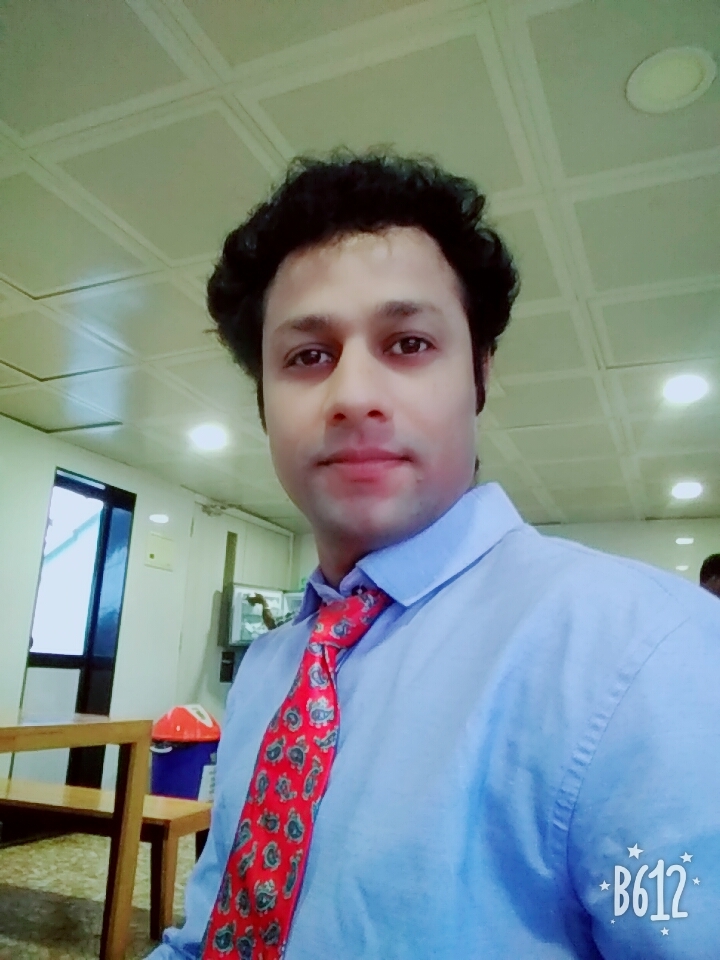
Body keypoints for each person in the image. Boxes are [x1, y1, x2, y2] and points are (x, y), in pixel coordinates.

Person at [148, 153, 720, 960]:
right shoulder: (271, 671)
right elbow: (208, 936)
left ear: (479, 373)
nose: (353, 395)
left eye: (409, 343)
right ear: (264, 402)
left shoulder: (649, 655)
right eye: (307, 356)